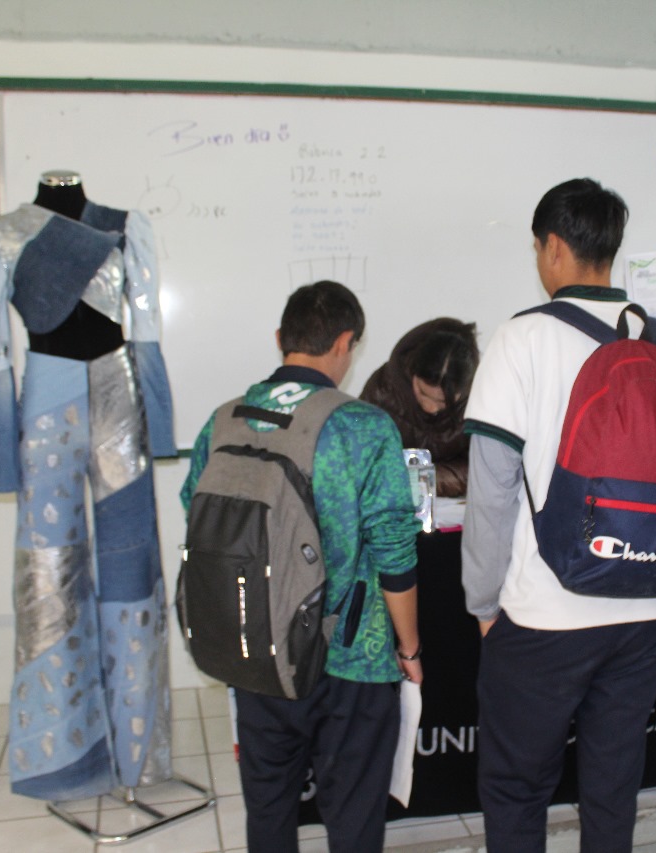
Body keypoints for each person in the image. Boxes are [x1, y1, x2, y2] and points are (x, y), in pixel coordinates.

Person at [461, 177, 656, 851]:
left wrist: (482, 603)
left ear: (553, 248)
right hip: (650, 606)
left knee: (517, 786)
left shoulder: (521, 339)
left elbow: (491, 490)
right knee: (612, 782)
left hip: (546, 611)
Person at [179, 280, 422, 853]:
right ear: (344, 342)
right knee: (354, 812)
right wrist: (409, 649)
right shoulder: (363, 426)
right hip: (352, 659)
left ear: (280, 338)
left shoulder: (223, 420)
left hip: (257, 649)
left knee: (268, 805)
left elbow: (196, 509)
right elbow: (394, 548)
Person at [0, 171, 176, 800]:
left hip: (118, 400)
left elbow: (146, 328)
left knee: (133, 570)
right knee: (46, 576)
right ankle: (61, 760)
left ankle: (138, 757)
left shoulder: (127, 227)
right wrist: (3, 451)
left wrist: (158, 423)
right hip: (46, 401)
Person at [359, 317, 480, 497]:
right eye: (423, 393)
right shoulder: (383, 389)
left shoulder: (479, 403)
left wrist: (425, 478)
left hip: (452, 506)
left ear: (463, 390)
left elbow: (481, 469)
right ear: (412, 371)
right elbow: (360, 455)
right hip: (391, 501)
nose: (430, 408)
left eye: (443, 402)